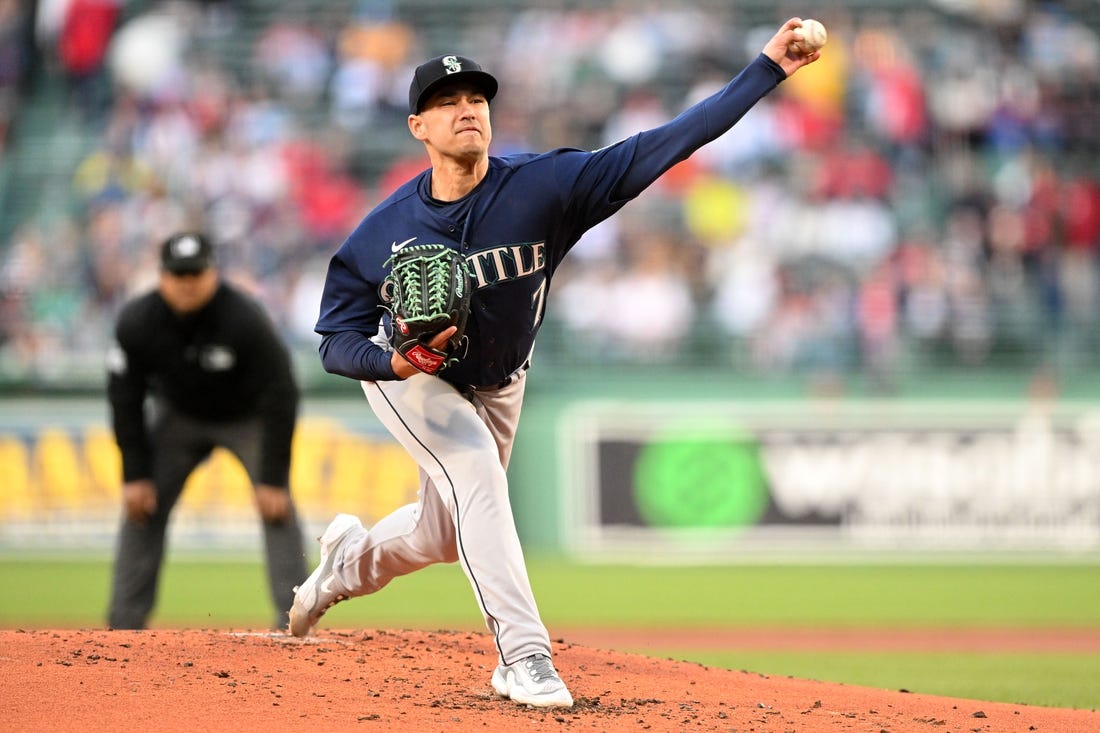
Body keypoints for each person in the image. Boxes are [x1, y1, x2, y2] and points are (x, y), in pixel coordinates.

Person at [289, 19, 822, 708]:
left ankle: (342, 566)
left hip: (502, 377)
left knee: (441, 533)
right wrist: (393, 362)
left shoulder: (544, 187)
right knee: (475, 471)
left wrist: (766, 68)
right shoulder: (382, 232)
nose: (467, 108)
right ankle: (525, 655)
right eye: (449, 100)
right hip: (416, 378)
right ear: (418, 125)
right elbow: (334, 337)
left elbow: (667, 143)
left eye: (477, 96)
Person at [106, 231, 308, 631]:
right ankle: (123, 628)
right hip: (178, 418)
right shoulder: (137, 321)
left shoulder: (244, 317)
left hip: (247, 418)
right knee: (141, 506)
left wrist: (272, 477)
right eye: (178, 274)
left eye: (195, 273)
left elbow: (282, 391)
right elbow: (124, 398)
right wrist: (134, 474)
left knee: (277, 507)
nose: (187, 283)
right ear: (161, 276)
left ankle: (294, 621)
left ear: (213, 273)